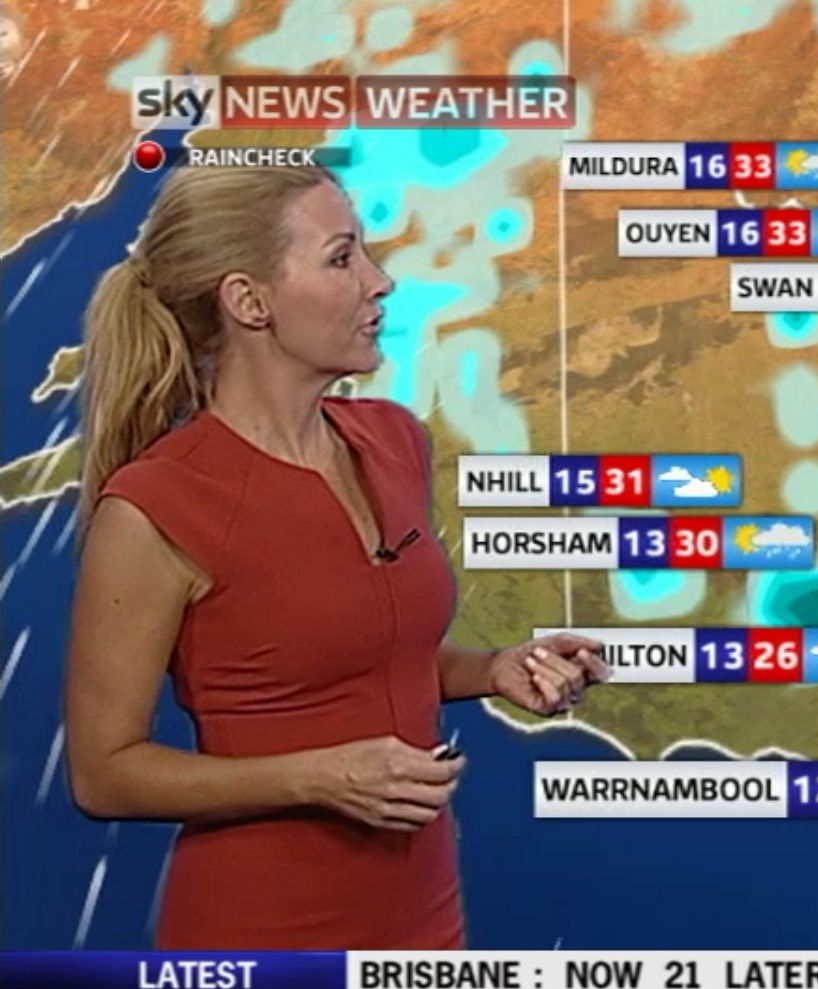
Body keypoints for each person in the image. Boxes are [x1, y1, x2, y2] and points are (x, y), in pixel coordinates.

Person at [63, 164, 611, 949]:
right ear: (249, 301)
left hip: (425, 925)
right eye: (342, 258)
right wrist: (316, 778)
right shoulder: (157, 507)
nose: (380, 282)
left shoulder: (394, 442)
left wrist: (492, 669)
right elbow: (104, 773)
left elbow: (355, 657)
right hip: (266, 940)